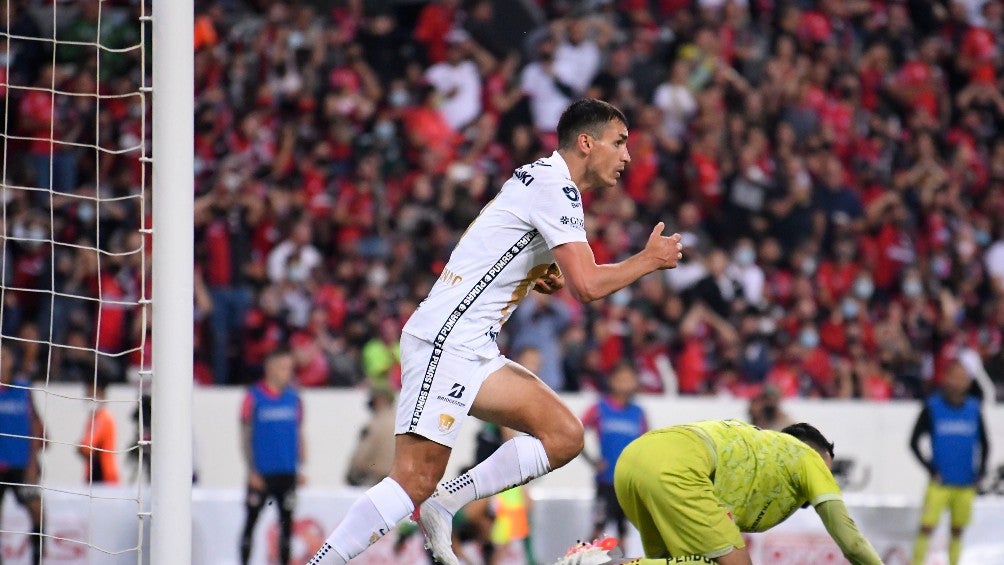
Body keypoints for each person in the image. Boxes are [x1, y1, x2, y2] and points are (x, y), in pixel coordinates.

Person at [307, 98, 684, 565]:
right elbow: (587, 286)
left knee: (563, 436)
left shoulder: (542, 177)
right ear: (586, 143)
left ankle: (446, 503)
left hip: (473, 346)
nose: (629, 156)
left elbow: (517, 249)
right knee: (412, 481)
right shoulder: (555, 188)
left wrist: (541, 272)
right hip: (446, 340)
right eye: (620, 142)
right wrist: (649, 260)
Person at [566, 420, 883, 565]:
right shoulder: (807, 458)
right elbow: (852, 543)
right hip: (679, 466)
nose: (825, 482)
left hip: (634, 461)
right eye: (827, 473)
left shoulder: (764, 455)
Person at [909, 360, 989, 565]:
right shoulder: (933, 407)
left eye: (963, 377)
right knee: (927, 527)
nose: (958, 381)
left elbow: (985, 443)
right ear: (946, 378)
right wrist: (930, 469)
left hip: (965, 484)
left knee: (958, 530)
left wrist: (980, 472)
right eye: (955, 376)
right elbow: (914, 442)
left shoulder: (973, 409)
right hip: (939, 483)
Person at [239, 348, 305, 565]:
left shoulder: (294, 399)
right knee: (251, 524)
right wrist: (251, 471)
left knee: (287, 527)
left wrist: (300, 467)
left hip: (287, 473)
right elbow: (245, 437)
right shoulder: (253, 397)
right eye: (284, 368)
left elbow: (299, 433)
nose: (289, 373)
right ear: (270, 368)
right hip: (261, 474)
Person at [580, 361, 648, 547]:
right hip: (606, 482)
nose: (625, 383)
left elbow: (646, 447)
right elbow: (576, 434)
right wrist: (592, 461)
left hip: (627, 483)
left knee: (623, 531)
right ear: (611, 381)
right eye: (621, 379)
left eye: (629, 379)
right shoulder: (600, 408)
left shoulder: (638, 413)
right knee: (598, 528)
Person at [0, 343, 44, 565]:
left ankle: (36, 559)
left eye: (4, 356)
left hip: (21, 466)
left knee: (38, 511)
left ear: (11, 360)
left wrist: (33, 464)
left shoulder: (23, 389)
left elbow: (36, 426)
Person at [345, 385, 396, 487]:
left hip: (375, 479)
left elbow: (363, 453)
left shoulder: (375, 423)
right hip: (395, 480)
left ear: (380, 399)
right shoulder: (399, 421)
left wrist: (352, 473)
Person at [77, 376, 120, 484]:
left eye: (93, 395)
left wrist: (80, 448)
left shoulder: (103, 418)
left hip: (104, 477)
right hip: (95, 476)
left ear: (102, 395)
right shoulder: (93, 418)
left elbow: (87, 448)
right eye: (88, 394)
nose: (90, 397)